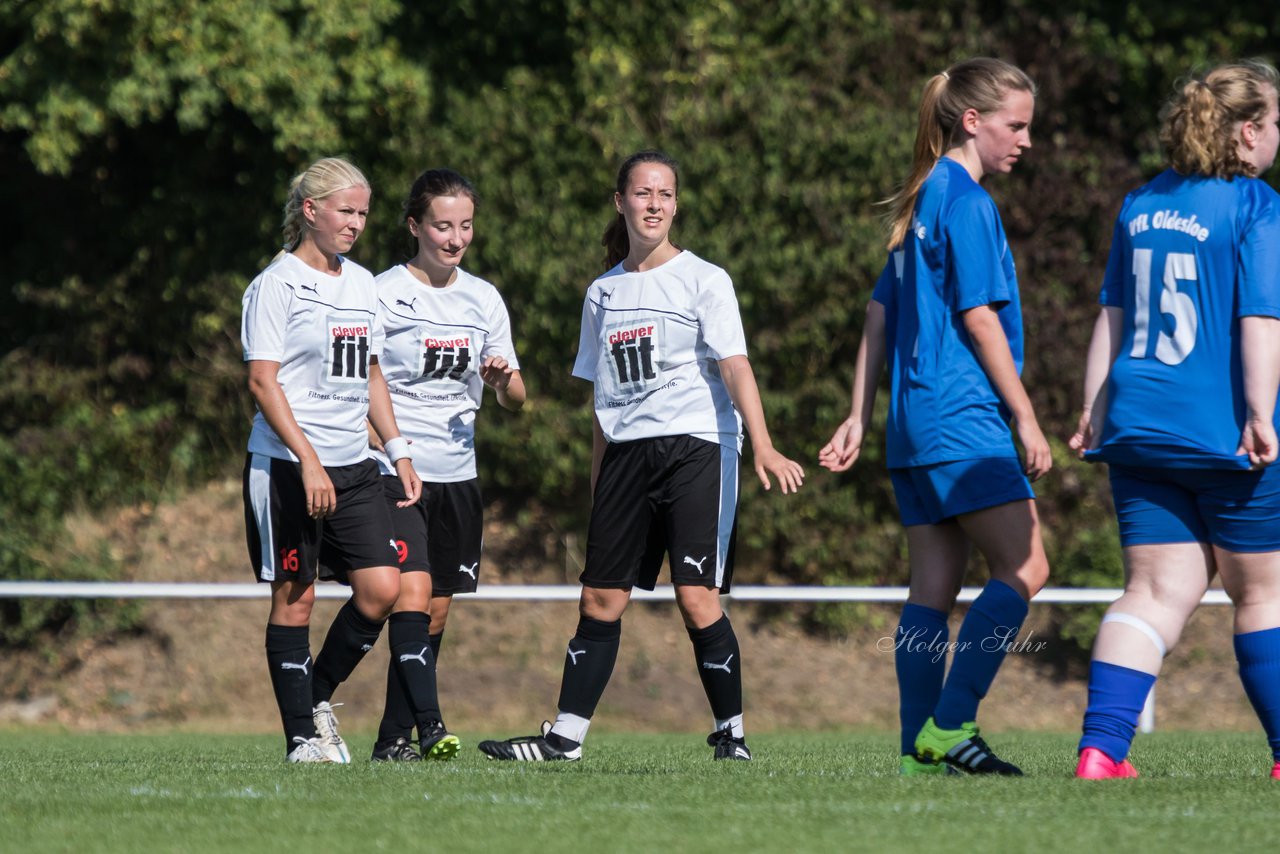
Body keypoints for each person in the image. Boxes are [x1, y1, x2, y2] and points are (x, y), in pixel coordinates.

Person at [478, 149, 805, 762]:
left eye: (666, 195)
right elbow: (603, 399)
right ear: (620, 201)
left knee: (695, 594)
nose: (655, 205)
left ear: (676, 204)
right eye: (643, 193)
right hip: (627, 456)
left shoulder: (706, 278)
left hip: (697, 449)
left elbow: (735, 365)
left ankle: (731, 737)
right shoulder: (601, 293)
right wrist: (600, 484)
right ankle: (564, 740)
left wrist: (762, 443)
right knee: (599, 598)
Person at [819, 58, 1050, 776]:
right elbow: (979, 320)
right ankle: (951, 727)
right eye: (1017, 126)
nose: (1026, 141)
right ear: (973, 121)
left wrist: (860, 413)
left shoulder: (925, 195)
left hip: (912, 426)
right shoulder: (969, 202)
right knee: (1027, 566)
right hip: (962, 418)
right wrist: (1027, 417)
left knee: (932, 590)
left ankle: (919, 746)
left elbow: (879, 309)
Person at [1069, 60, 1280, 781]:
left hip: (1138, 427)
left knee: (1154, 594)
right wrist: (1259, 414)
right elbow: (1259, 318)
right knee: (1263, 593)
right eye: (1276, 122)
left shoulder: (1140, 203)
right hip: (1222, 432)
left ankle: (1101, 752)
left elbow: (1113, 316)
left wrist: (1093, 409)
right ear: (1249, 131)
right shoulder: (1256, 205)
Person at [241, 156, 424, 763]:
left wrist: (396, 449)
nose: (356, 223)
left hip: (353, 466)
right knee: (296, 597)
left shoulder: (364, 283)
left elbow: (369, 369)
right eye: (346, 211)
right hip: (290, 466)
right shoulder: (276, 284)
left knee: (380, 589)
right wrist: (308, 460)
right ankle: (301, 740)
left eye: (364, 213)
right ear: (310, 211)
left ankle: (312, 701)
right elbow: (264, 383)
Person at [368, 168, 526, 762]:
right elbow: (362, 383)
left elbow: (518, 397)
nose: (455, 238)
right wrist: (390, 447)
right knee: (409, 597)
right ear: (415, 226)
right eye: (442, 225)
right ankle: (428, 727)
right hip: (395, 469)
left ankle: (391, 742)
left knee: (435, 610)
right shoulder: (381, 293)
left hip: (460, 473)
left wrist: (502, 378)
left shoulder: (483, 298)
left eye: (465, 226)